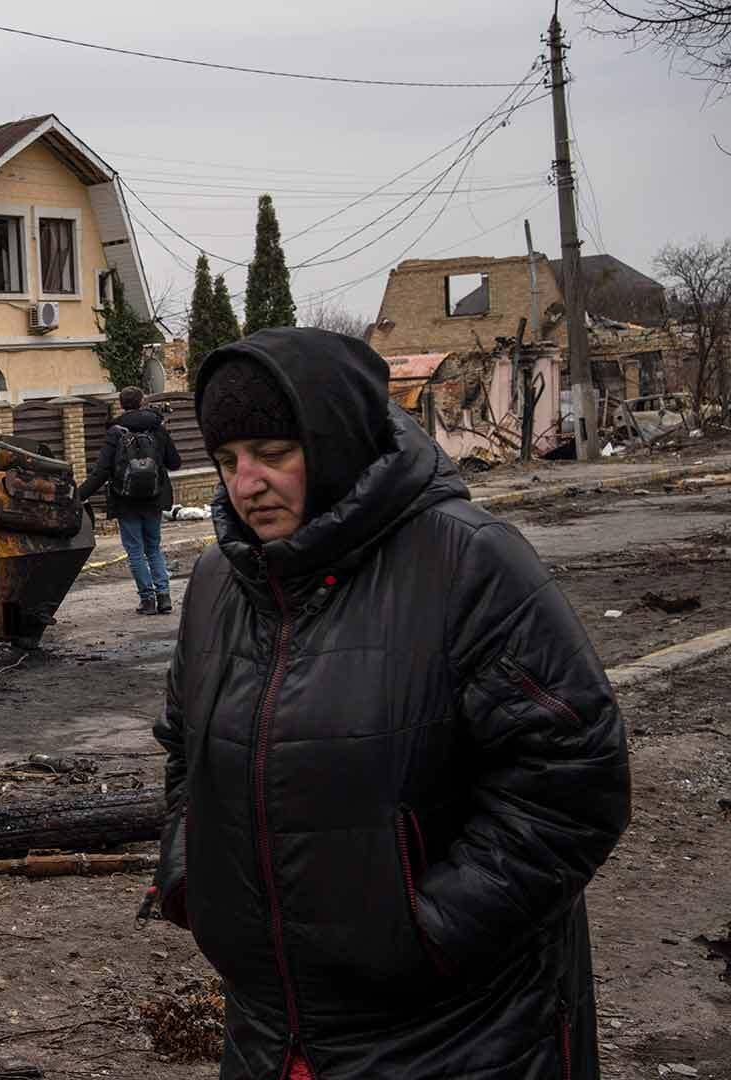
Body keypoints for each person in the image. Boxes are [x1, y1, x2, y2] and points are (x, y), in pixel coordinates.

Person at [144, 329, 630, 1080]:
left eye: (274, 454)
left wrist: (427, 929)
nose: (247, 485)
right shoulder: (220, 581)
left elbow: (573, 777)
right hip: (272, 1037)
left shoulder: (465, 561)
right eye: (227, 461)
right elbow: (184, 749)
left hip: (456, 1036)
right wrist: (190, 876)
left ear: (335, 441)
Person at [78, 386, 182, 614]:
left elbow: (101, 472)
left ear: (122, 404)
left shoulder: (116, 432)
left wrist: (78, 496)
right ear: (143, 401)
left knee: (135, 551)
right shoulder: (157, 428)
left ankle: (147, 601)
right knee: (153, 548)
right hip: (154, 498)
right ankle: (164, 597)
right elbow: (175, 463)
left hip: (125, 501)